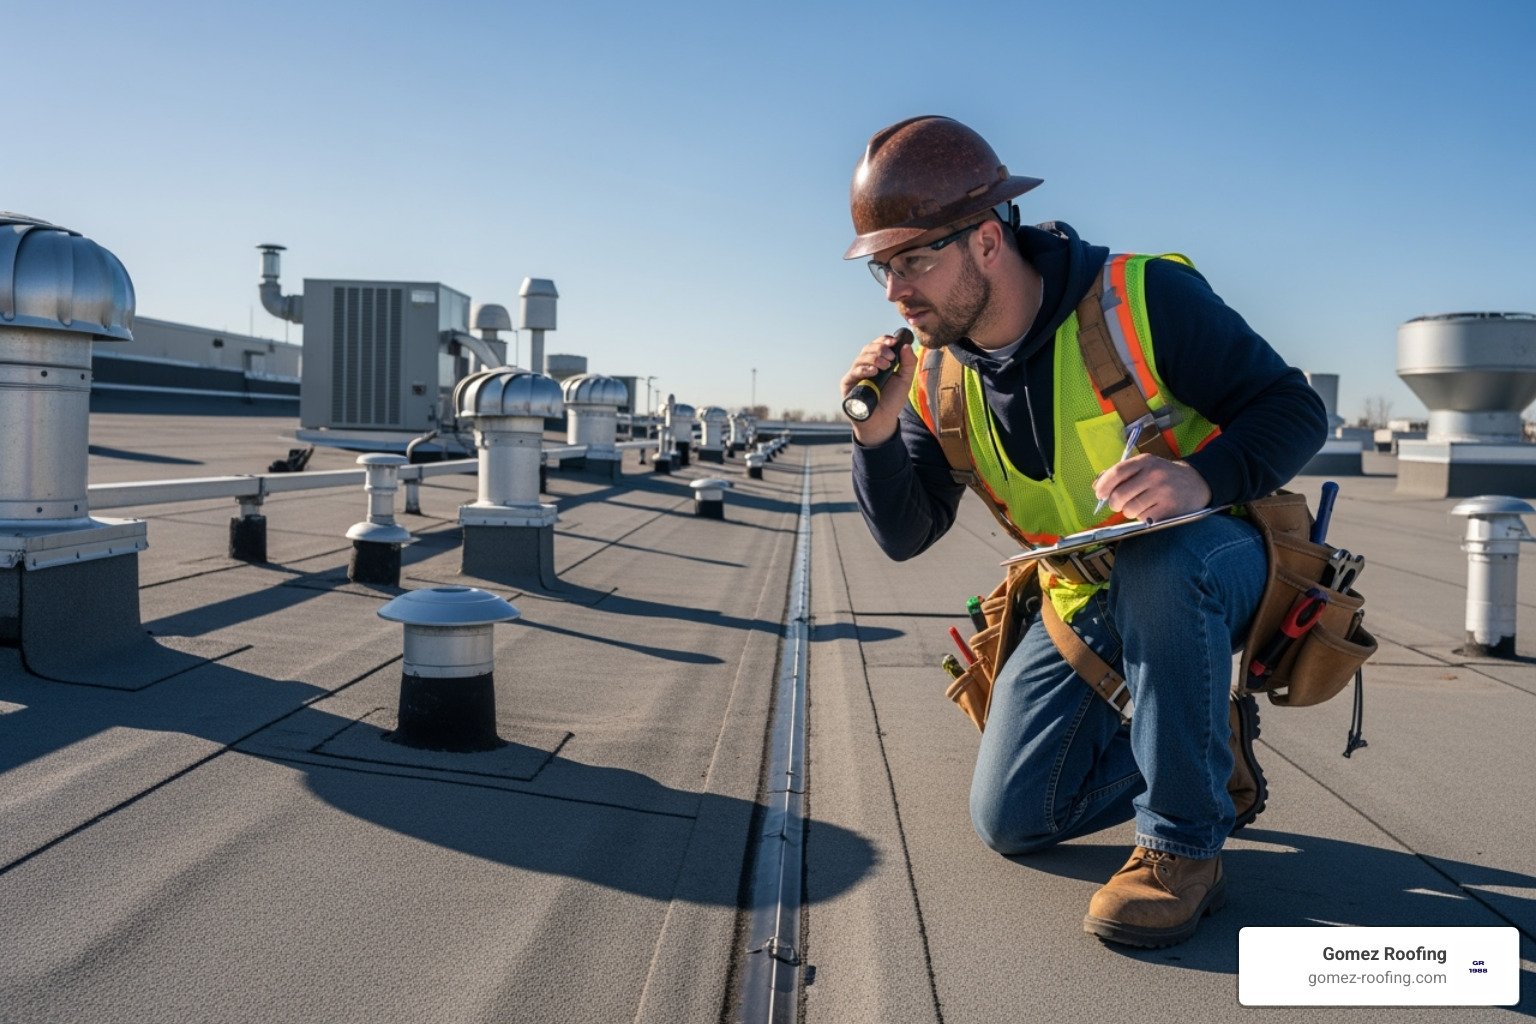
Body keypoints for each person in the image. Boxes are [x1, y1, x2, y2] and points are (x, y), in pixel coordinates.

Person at [840, 115, 1327, 948]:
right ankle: (1209, 752)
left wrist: (1199, 475)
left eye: (915, 258)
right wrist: (875, 435)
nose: (896, 290)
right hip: (1087, 592)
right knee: (1015, 817)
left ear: (988, 241)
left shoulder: (1140, 300)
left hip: (1218, 557)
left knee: (1164, 563)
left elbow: (1295, 409)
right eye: (883, 266)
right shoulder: (932, 376)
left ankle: (1182, 846)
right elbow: (905, 536)